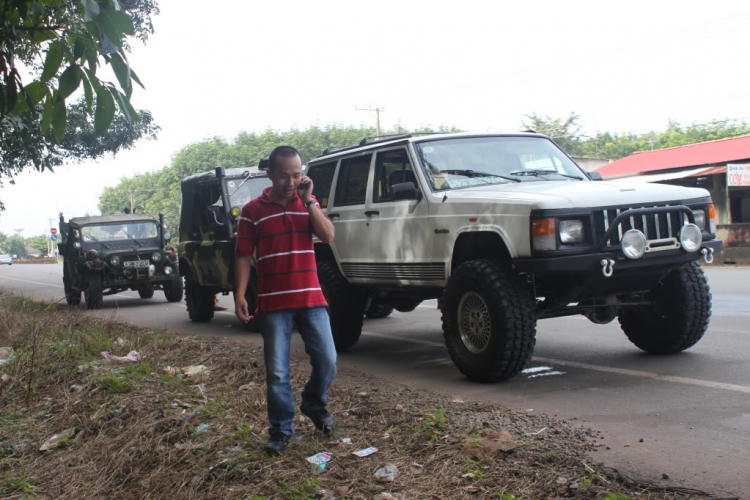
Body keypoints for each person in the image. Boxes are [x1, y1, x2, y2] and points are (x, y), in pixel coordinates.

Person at [234, 145, 337, 455]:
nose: (290, 182)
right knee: (277, 372)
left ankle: (313, 404)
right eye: (283, 176)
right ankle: (280, 430)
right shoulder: (252, 210)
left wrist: (308, 202)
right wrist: (239, 294)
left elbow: (328, 236)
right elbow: (241, 255)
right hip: (273, 305)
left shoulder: (308, 203)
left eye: (296, 175)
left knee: (328, 361)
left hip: (311, 299)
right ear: (270, 174)